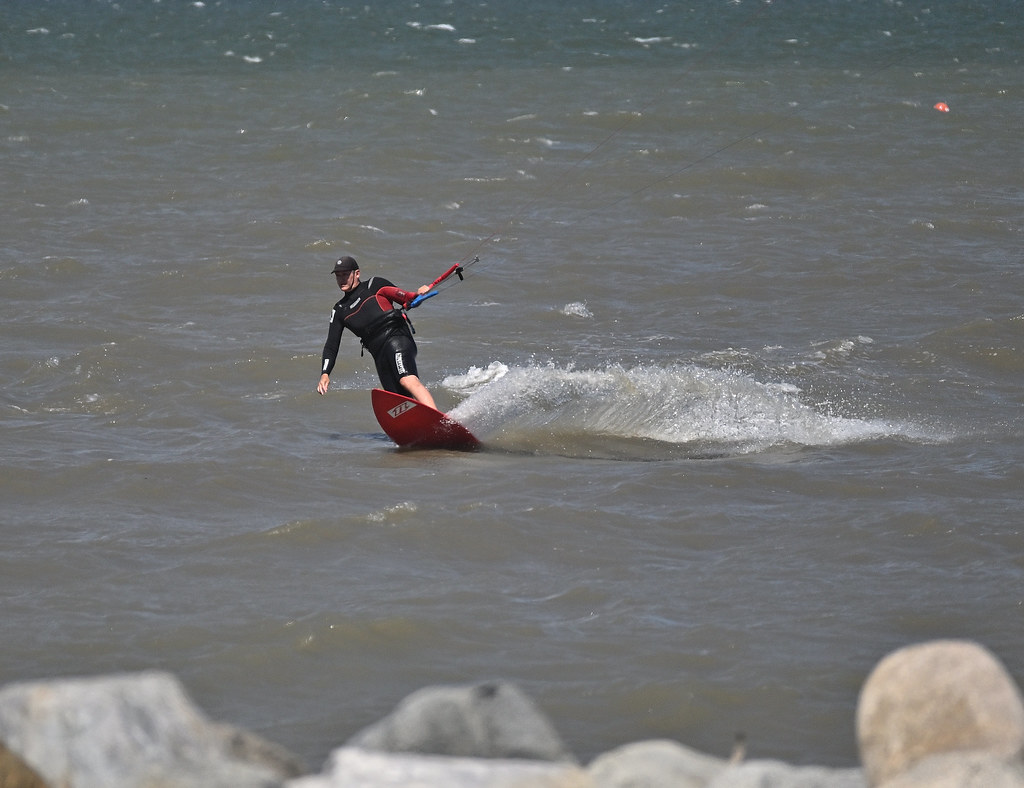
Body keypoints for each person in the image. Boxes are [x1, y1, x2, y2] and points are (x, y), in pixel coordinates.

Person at [317, 255, 437, 409]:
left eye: (346, 274)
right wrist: (325, 373)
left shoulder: (374, 285)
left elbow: (404, 297)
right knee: (398, 399)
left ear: (357, 273)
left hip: (397, 338)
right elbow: (332, 345)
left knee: (407, 380)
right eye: (338, 276)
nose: (342, 279)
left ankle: (439, 420)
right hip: (378, 353)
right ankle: (419, 427)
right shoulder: (340, 310)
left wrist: (417, 294)